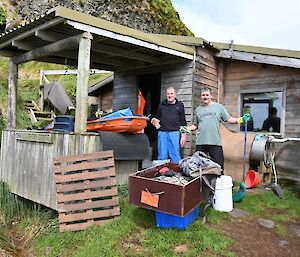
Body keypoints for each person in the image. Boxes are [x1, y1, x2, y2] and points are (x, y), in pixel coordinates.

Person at [187, 87, 249, 174]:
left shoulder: (219, 107)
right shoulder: (198, 110)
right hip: (200, 142)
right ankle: (202, 186)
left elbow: (229, 119)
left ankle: (219, 184)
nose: (205, 97)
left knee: (219, 166)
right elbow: (195, 125)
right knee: (199, 166)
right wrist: (188, 129)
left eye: (207, 95)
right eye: (203, 95)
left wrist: (241, 120)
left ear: (211, 96)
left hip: (215, 142)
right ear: (201, 97)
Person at [151, 87, 187, 163]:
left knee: (175, 155)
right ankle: (162, 171)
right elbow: (157, 118)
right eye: (168, 94)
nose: (170, 95)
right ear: (166, 95)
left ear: (175, 94)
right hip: (162, 133)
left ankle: (176, 172)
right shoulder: (161, 105)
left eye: (171, 93)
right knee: (162, 155)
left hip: (175, 133)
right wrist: (154, 121)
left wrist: (183, 136)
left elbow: (183, 121)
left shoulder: (180, 105)